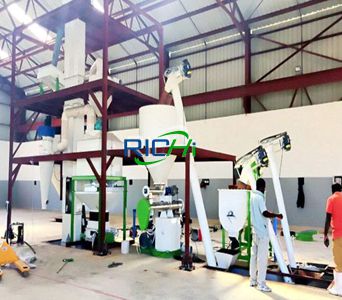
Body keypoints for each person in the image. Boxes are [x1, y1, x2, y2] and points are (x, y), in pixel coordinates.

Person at [250, 178, 283, 293]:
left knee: (253, 257)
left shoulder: (252, 197)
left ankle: (253, 280)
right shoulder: (259, 198)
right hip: (262, 233)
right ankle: (261, 284)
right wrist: (277, 215)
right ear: (263, 187)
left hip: (254, 231)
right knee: (262, 259)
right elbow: (264, 213)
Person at [324, 183, 342, 296]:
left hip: (338, 235)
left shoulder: (331, 199)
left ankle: (339, 289)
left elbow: (327, 218)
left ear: (332, 190)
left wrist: (325, 235)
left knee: (339, 263)